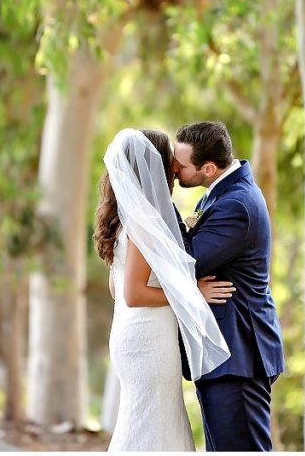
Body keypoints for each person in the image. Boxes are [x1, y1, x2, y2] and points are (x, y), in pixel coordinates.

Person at [94, 128, 233, 451]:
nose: (174, 168)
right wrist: (191, 293)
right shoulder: (143, 221)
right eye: (169, 160)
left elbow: (117, 288)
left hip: (131, 333)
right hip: (148, 342)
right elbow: (134, 293)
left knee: (145, 419)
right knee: (152, 423)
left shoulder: (122, 219)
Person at [173, 121, 285, 451]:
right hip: (224, 356)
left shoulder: (236, 204)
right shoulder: (223, 192)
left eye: (181, 165)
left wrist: (159, 203)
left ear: (208, 168)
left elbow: (189, 259)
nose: (175, 171)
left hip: (239, 355)